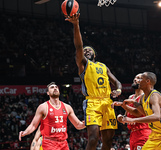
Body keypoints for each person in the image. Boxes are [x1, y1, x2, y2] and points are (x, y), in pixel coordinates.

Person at [66, 14, 122, 150]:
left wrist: (119, 90)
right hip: (92, 102)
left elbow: (117, 82)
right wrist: (76, 24)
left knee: (108, 139)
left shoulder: (103, 66)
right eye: (85, 51)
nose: (86, 51)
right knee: (93, 138)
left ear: (94, 54)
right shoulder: (83, 65)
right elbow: (79, 46)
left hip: (107, 102)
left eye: (89, 50)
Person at [119, 72, 161, 150]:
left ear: (148, 81)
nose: (138, 81)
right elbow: (141, 113)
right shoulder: (143, 97)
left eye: (141, 79)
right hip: (154, 136)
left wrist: (132, 120)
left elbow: (157, 116)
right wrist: (129, 104)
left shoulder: (154, 96)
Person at [19, 82, 85, 150]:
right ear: (48, 93)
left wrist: (87, 123)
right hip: (49, 143)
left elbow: (78, 125)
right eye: (52, 87)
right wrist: (25, 132)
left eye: (56, 87)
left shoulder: (67, 107)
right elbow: (33, 125)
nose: (55, 88)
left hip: (63, 143)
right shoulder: (43, 107)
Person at [112, 73, 151, 150]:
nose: (135, 80)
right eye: (135, 78)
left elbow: (138, 113)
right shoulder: (131, 97)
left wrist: (123, 105)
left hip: (143, 132)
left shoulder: (145, 96)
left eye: (139, 78)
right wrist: (120, 118)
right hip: (133, 134)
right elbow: (126, 117)